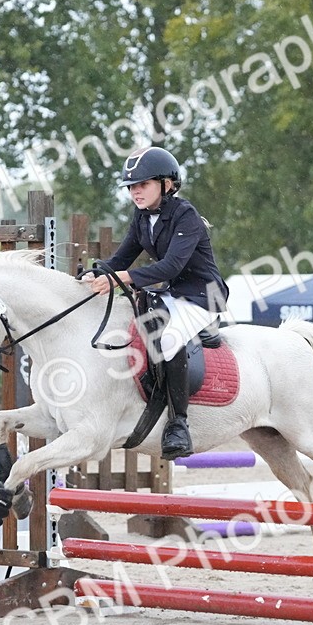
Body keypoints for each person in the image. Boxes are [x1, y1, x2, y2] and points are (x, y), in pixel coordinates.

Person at [82, 146, 229, 459]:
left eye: (143, 184)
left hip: (205, 294)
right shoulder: (141, 217)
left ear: (167, 184)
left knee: (169, 337)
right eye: (132, 186)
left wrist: (120, 278)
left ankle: (178, 424)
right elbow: (121, 258)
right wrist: (94, 273)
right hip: (175, 293)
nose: (136, 191)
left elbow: (171, 267)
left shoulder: (185, 215)